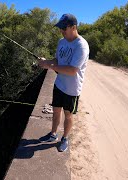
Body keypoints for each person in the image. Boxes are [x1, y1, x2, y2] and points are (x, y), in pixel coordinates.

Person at [37, 13, 89, 152]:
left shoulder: (81, 46)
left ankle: (65, 138)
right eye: (60, 28)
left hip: (72, 89)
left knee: (68, 115)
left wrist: (50, 66)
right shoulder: (62, 42)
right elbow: (57, 60)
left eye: (64, 28)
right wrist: (46, 62)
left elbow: (72, 70)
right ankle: (53, 134)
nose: (61, 31)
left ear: (73, 27)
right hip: (59, 84)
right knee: (55, 111)